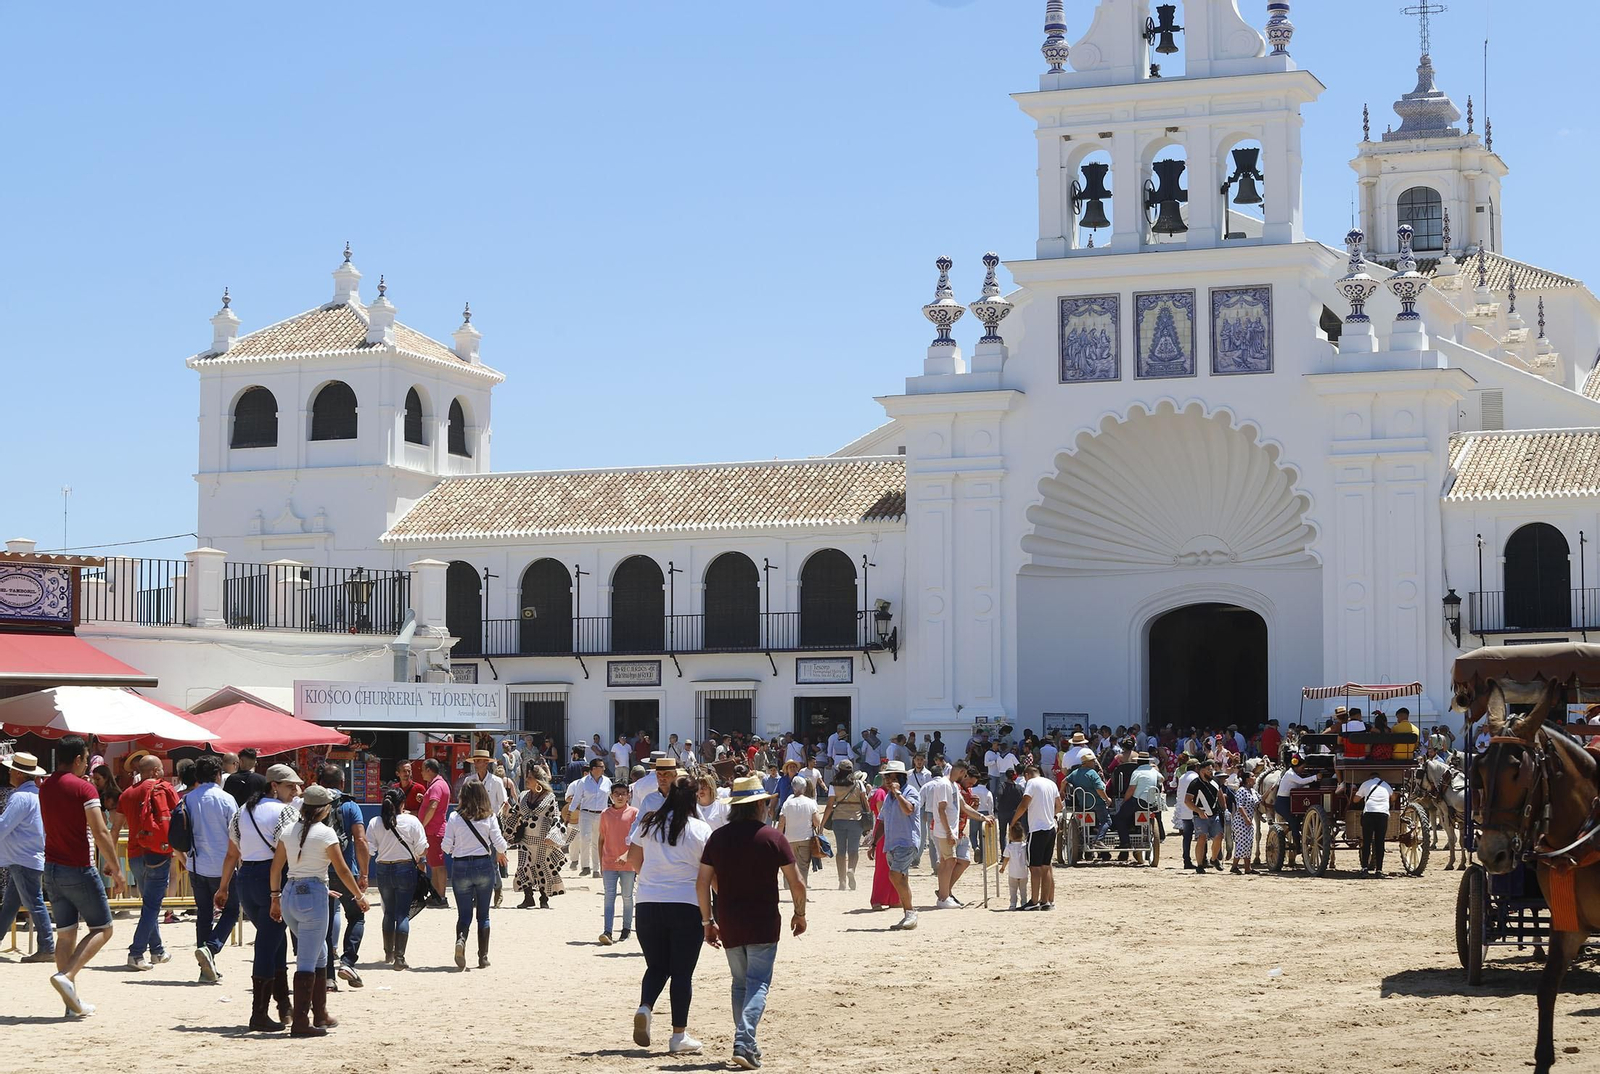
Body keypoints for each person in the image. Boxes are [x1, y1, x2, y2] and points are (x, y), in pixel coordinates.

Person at [698, 774, 807, 1069]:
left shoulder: (717, 838)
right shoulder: (773, 837)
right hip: (763, 920)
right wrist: (800, 913)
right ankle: (744, 1042)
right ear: (760, 805)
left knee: (739, 984)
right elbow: (797, 883)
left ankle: (748, 1044)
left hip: (730, 919)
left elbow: (703, 883)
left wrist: (708, 921)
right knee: (758, 984)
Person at [270, 784, 368, 1037]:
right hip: (313, 895)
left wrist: (275, 898)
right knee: (306, 960)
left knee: (321, 953)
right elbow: (344, 871)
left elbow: (276, 868)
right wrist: (358, 896)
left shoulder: (288, 831)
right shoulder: (326, 834)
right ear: (325, 810)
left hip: (290, 894)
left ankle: (320, 1013)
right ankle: (301, 1022)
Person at [40, 735, 125, 1017]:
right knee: (103, 928)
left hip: (51, 868)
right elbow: (101, 831)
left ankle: (71, 1004)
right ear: (77, 759)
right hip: (78, 866)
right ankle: (68, 976)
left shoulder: (46, 786)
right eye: (86, 759)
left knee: (66, 935)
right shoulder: (84, 789)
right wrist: (115, 867)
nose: (87, 764)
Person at [627, 777, 712, 1056]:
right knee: (682, 973)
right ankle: (678, 1036)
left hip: (649, 903)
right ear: (693, 799)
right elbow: (708, 874)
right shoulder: (700, 829)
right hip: (686, 904)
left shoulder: (649, 823)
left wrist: (655, 878)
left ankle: (645, 1007)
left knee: (657, 966)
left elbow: (634, 861)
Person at [215, 764, 302, 1031]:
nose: (295, 791)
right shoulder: (285, 812)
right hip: (271, 878)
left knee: (273, 940)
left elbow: (232, 853)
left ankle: (283, 1006)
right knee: (267, 944)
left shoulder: (242, 812)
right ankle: (259, 1013)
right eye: (290, 786)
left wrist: (223, 886)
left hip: (246, 878)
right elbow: (287, 850)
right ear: (274, 785)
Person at [114, 752, 177, 970]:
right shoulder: (163, 789)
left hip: (134, 854)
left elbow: (115, 828)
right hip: (158, 853)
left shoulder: (127, 794)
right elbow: (178, 819)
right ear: (155, 771)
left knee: (149, 904)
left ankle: (157, 951)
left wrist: (112, 858)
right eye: (161, 769)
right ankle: (136, 953)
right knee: (152, 905)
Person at [440, 779, 506, 970]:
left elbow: (445, 846)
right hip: (483, 865)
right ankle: (483, 957)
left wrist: (455, 851)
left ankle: (461, 940)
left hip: (461, 866)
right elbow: (499, 844)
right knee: (483, 915)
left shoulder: (454, 817)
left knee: (464, 914)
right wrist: (502, 851)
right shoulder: (489, 817)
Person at [0, 751, 55, 963]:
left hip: (22, 858)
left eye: (12, 770)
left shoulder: (20, 797)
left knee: (34, 903)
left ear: (18, 773)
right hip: (29, 857)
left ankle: (47, 946)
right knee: (12, 904)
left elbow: (4, 826)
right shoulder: (38, 795)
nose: (9, 773)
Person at [316, 764, 368, 988]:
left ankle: (328, 977)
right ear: (343, 783)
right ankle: (347, 962)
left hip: (320, 872)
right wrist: (364, 873)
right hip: (347, 871)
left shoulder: (313, 805)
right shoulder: (350, 805)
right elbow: (361, 840)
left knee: (324, 926)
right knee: (356, 916)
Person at [368, 786, 427, 970]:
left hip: (383, 869)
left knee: (389, 912)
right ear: (402, 804)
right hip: (405, 868)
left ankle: (388, 951)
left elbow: (370, 849)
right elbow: (422, 848)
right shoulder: (412, 821)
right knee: (402, 914)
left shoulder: (375, 822)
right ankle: (400, 958)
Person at [868, 760, 920, 930]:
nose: (887, 780)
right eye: (886, 777)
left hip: (906, 842)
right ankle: (908, 915)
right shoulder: (888, 796)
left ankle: (911, 912)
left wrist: (898, 793)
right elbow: (881, 820)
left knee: (895, 875)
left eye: (890, 776)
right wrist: (874, 842)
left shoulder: (910, 792)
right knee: (901, 878)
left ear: (900, 777)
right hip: (891, 844)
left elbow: (908, 810)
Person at [508, 764, 567, 908]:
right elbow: (516, 814)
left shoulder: (550, 797)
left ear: (538, 781)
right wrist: (506, 814)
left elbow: (556, 818)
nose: (526, 780)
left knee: (542, 869)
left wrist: (553, 835)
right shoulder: (523, 795)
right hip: (525, 839)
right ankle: (528, 897)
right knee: (523, 867)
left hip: (542, 841)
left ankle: (544, 898)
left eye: (529, 778)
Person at [1011, 762, 1061, 911]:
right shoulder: (1051, 783)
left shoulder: (1031, 783)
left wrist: (1014, 820)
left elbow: (1024, 804)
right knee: (1046, 866)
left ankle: (1034, 901)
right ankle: (1045, 901)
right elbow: (1059, 806)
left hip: (1037, 828)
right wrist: (1050, 816)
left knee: (1035, 867)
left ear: (1027, 775)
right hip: (1050, 827)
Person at [599, 782, 639, 945]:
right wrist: (600, 862)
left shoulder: (634, 813)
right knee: (609, 897)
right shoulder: (605, 814)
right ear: (611, 795)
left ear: (629, 795)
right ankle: (607, 931)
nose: (620, 797)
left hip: (628, 863)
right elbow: (601, 838)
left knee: (627, 896)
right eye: (617, 794)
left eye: (623, 793)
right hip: (608, 862)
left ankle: (626, 928)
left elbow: (637, 839)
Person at [821, 761, 868, 891]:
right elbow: (865, 802)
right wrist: (869, 819)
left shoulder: (834, 785)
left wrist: (822, 824)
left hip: (838, 820)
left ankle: (841, 881)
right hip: (855, 819)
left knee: (841, 851)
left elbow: (829, 806)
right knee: (853, 850)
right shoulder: (859, 784)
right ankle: (851, 869)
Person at [566, 757, 611, 876]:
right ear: (594, 769)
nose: (604, 769)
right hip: (586, 813)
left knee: (597, 840)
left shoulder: (607, 781)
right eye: (601, 766)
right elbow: (576, 799)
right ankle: (585, 866)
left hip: (601, 814)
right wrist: (569, 813)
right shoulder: (583, 782)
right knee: (585, 838)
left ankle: (596, 868)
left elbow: (611, 797)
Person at [776, 776, 822, 885]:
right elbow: (817, 822)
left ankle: (791, 885)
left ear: (793, 788)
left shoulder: (787, 803)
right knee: (803, 867)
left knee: (791, 864)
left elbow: (781, 823)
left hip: (789, 839)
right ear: (804, 788)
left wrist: (778, 838)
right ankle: (802, 889)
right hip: (805, 838)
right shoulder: (810, 802)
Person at [418, 758, 452, 903]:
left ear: (429, 770)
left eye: (422, 769)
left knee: (438, 865)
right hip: (435, 829)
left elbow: (433, 806)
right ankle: (437, 895)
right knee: (435, 864)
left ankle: (441, 896)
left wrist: (422, 825)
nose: (421, 773)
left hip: (434, 830)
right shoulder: (438, 784)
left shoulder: (437, 786)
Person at [865, 776, 899, 911]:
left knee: (894, 867)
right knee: (882, 868)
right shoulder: (881, 793)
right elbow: (882, 814)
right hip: (883, 832)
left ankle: (893, 899)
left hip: (891, 831)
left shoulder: (892, 793)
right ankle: (877, 900)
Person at [1184, 758, 1224, 874]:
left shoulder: (1215, 782)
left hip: (1214, 814)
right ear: (1202, 771)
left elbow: (1220, 795)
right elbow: (1187, 801)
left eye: (1212, 770)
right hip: (1199, 816)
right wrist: (1198, 811)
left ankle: (1213, 859)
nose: (1211, 772)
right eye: (1208, 770)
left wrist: (1225, 810)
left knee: (1219, 836)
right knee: (1201, 838)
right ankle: (1200, 864)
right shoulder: (1195, 784)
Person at [1354, 771, 1393, 877]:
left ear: (1370, 778)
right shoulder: (1386, 785)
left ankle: (1364, 868)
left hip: (1369, 812)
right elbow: (1393, 797)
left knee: (1367, 842)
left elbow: (1355, 799)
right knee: (1380, 843)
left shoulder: (1366, 784)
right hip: (1383, 814)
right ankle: (1379, 870)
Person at [1230, 770, 1261, 875]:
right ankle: (1234, 866)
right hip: (1240, 821)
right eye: (1253, 776)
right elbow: (1239, 806)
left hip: (1248, 821)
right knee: (1241, 844)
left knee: (1248, 844)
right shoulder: (1241, 790)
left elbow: (1260, 801)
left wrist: (1270, 790)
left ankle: (1248, 868)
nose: (1255, 777)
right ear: (1247, 779)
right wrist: (1246, 818)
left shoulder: (1253, 791)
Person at [1173, 756, 1198, 869]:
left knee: (1186, 837)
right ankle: (1203, 859)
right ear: (1196, 767)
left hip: (1184, 810)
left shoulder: (1182, 777)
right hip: (1195, 810)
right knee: (1202, 836)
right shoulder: (1196, 777)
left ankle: (1186, 860)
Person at [1002, 819, 1029, 910]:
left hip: (1013, 872)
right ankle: (1024, 902)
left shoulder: (1009, 847)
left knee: (1013, 889)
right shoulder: (1025, 846)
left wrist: (1003, 868)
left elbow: (1006, 859)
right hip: (1023, 872)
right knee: (1023, 889)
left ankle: (1013, 903)